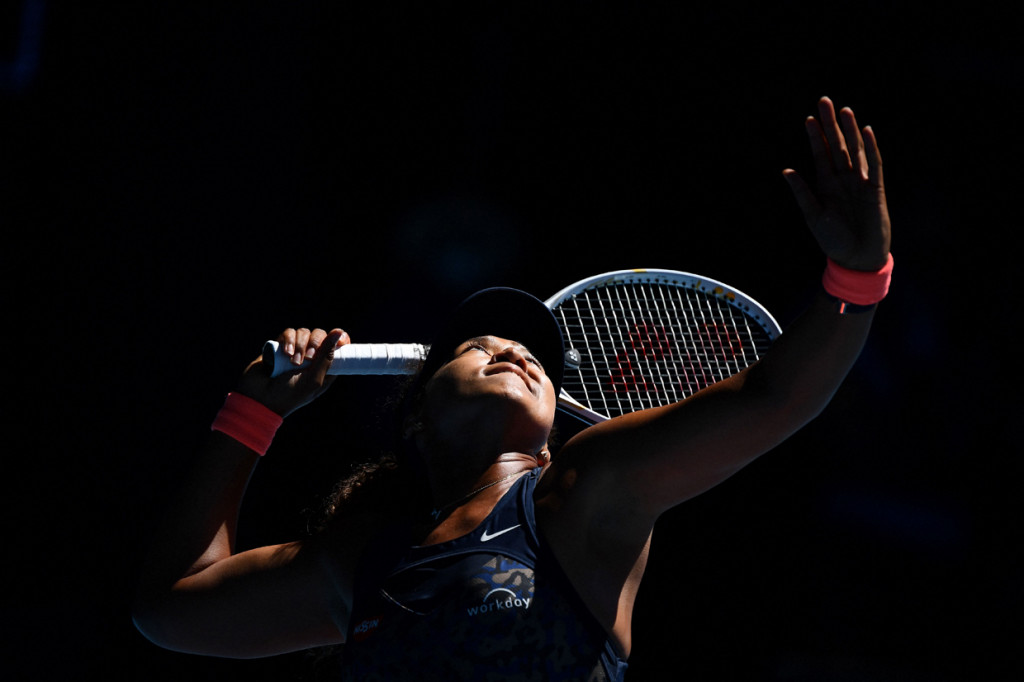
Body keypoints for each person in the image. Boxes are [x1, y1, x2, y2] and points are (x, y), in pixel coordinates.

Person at [133, 97, 893, 680]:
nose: (512, 350)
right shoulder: (358, 562)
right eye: (477, 346)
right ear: (421, 413)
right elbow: (170, 608)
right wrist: (253, 415)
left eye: (530, 353)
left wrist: (857, 278)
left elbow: (776, 397)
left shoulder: (589, 488)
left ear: (553, 418)